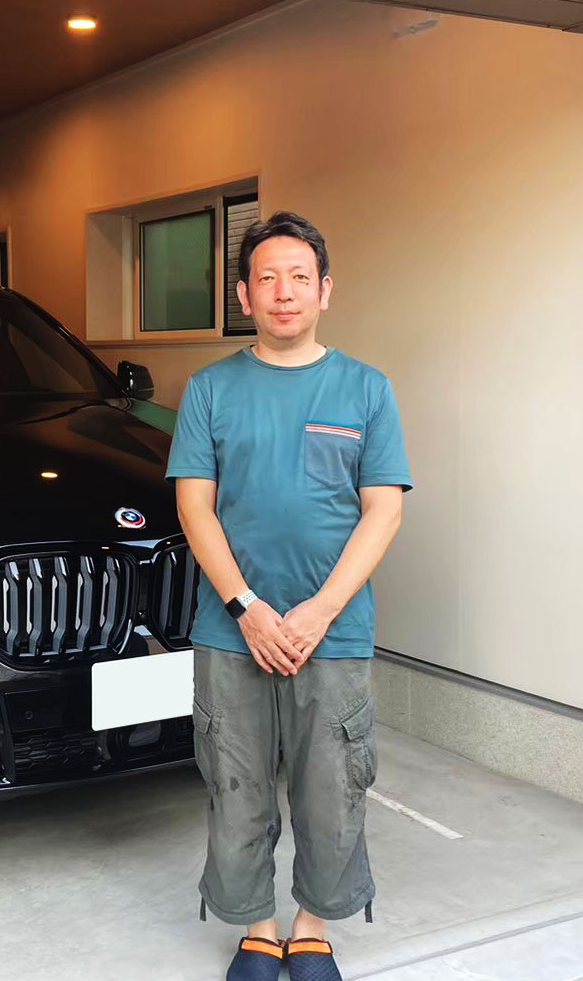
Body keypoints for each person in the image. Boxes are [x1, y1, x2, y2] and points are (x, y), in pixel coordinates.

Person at [166, 211, 412, 981]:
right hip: (229, 630)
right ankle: (257, 930)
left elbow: (383, 509)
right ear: (244, 295)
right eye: (266, 278)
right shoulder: (210, 390)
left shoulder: (365, 389)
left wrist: (318, 611)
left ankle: (310, 930)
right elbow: (194, 507)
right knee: (234, 785)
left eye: (299, 277)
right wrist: (245, 606)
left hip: (331, 633)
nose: (283, 292)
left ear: (324, 290)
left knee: (330, 788)